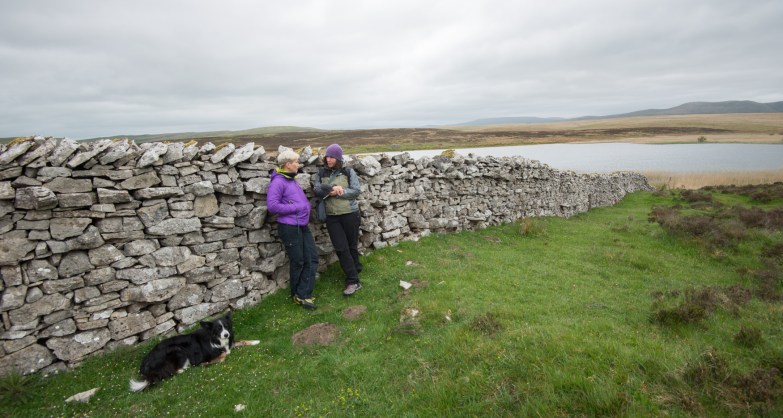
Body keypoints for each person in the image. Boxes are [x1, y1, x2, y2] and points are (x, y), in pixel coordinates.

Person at [267, 149, 318, 310]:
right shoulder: (278, 182)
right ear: (288, 164)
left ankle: (303, 293)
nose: (298, 164)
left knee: (312, 258)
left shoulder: (290, 179)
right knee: (299, 261)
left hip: (301, 225)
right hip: (289, 227)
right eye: (296, 162)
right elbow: (272, 206)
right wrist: (297, 207)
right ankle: (300, 296)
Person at [312, 144, 363, 296]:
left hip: (350, 213)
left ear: (338, 158)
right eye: (327, 156)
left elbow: (356, 191)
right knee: (341, 248)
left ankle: (356, 267)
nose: (329, 159)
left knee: (351, 245)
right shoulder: (321, 173)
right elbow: (316, 189)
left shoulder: (348, 171)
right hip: (332, 217)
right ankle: (353, 281)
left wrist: (342, 192)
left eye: (332, 157)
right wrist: (332, 189)